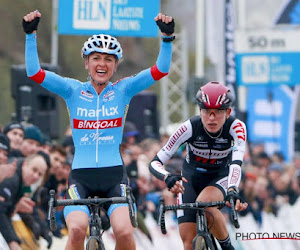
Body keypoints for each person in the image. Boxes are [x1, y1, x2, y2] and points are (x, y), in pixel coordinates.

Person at [23, 9, 175, 250]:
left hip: (114, 175)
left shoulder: (123, 90)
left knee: (125, 232)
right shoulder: (73, 90)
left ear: (115, 66)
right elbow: (34, 72)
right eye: (96, 58)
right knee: (75, 230)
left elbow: (160, 70)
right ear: (87, 62)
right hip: (81, 176)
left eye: (108, 59)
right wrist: (30, 35)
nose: (102, 64)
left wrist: (167, 39)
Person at [149, 81, 248, 250]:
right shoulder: (189, 127)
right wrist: (168, 177)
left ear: (228, 112)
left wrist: (232, 189)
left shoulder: (237, 127)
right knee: (188, 244)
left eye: (217, 112)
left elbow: (237, 163)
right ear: (200, 111)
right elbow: (155, 162)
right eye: (206, 111)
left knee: (205, 202)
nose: (211, 118)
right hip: (191, 178)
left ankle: (227, 247)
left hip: (219, 177)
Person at [0, 154, 48, 250]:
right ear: (25, 164)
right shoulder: (12, 177)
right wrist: (13, 242)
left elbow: (7, 212)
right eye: (34, 170)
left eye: (40, 174)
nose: (35, 176)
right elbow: (1, 212)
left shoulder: (23, 183)